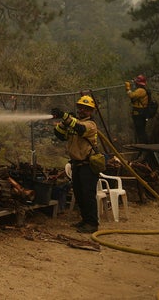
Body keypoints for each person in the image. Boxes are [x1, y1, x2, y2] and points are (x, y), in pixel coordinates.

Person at [52, 96, 102, 233]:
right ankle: (85, 220)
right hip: (76, 164)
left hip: (88, 165)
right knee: (79, 195)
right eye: (80, 107)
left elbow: (80, 129)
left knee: (88, 195)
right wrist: (64, 121)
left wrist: (66, 117)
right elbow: (60, 135)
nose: (82, 110)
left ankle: (92, 223)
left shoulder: (90, 125)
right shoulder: (74, 123)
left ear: (91, 111)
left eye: (86, 109)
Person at [126, 74, 149, 144]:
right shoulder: (142, 90)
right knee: (139, 130)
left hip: (139, 113)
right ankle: (142, 144)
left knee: (140, 130)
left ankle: (144, 145)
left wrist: (128, 89)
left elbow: (131, 95)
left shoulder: (140, 90)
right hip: (140, 112)